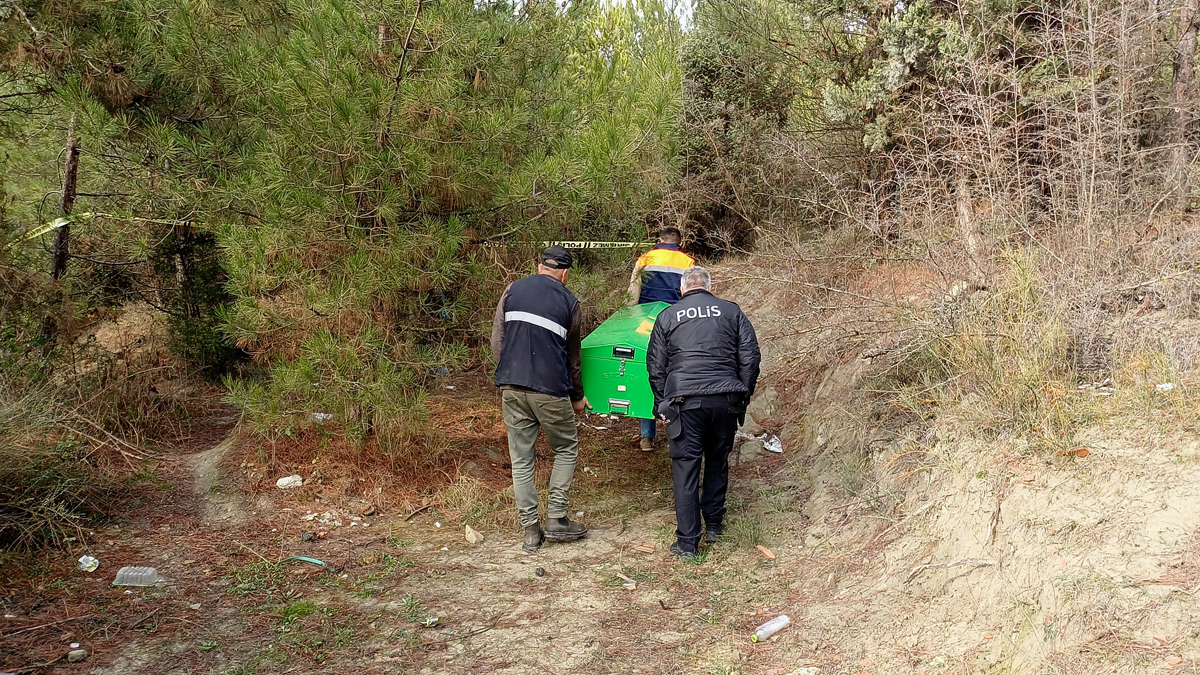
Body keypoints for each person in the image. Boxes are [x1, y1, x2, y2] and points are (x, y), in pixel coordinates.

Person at [646, 266, 761, 559]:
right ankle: (714, 525)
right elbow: (750, 356)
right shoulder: (731, 311)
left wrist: (663, 403)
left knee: (686, 469)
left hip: (684, 402)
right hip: (724, 399)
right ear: (709, 287)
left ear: (682, 289)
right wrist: (742, 394)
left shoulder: (668, 316)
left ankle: (687, 543)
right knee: (717, 460)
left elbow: (656, 366)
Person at [491, 246, 590, 552]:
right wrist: (577, 397)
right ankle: (558, 518)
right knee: (566, 448)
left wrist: (507, 374)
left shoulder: (512, 290)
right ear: (565, 273)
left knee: (521, 461)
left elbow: (498, 339)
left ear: (538, 267)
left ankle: (531, 532)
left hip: (511, 385)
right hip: (550, 389)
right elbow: (573, 358)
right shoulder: (570, 303)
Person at [627, 226, 695, 452]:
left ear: (659, 240)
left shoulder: (644, 259)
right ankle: (680, 430)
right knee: (676, 372)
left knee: (649, 371)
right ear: (680, 243)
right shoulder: (688, 263)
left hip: (646, 322)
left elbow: (632, 296)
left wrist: (630, 322)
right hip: (677, 323)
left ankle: (647, 437)